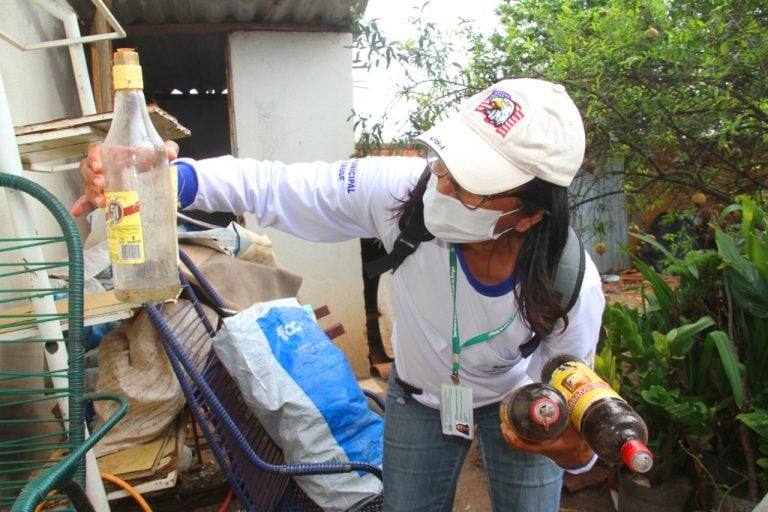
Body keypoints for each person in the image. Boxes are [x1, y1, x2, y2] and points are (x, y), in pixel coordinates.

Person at [73, 78, 605, 512]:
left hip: (516, 401)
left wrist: (573, 450)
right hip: (419, 398)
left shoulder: (568, 285)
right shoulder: (404, 192)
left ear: (530, 213)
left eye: (471, 184)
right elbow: (275, 186)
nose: (441, 188)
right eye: (446, 163)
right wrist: (161, 178)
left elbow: (572, 391)